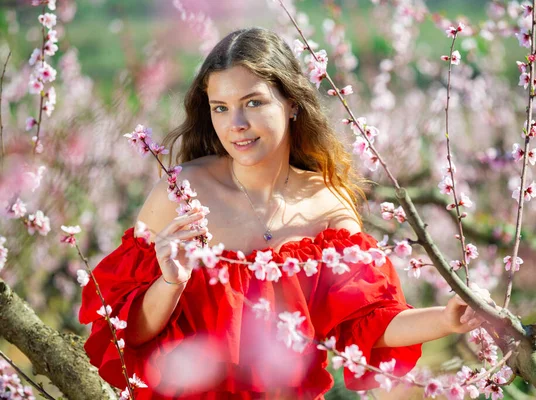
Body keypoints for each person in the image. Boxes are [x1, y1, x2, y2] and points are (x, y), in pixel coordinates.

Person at [79, 27, 482, 399]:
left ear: (291, 103)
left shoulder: (329, 205)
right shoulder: (179, 194)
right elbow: (124, 333)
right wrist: (170, 282)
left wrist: (447, 320)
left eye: (253, 102)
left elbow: (369, 321)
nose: (236, 124)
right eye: (220, 108)